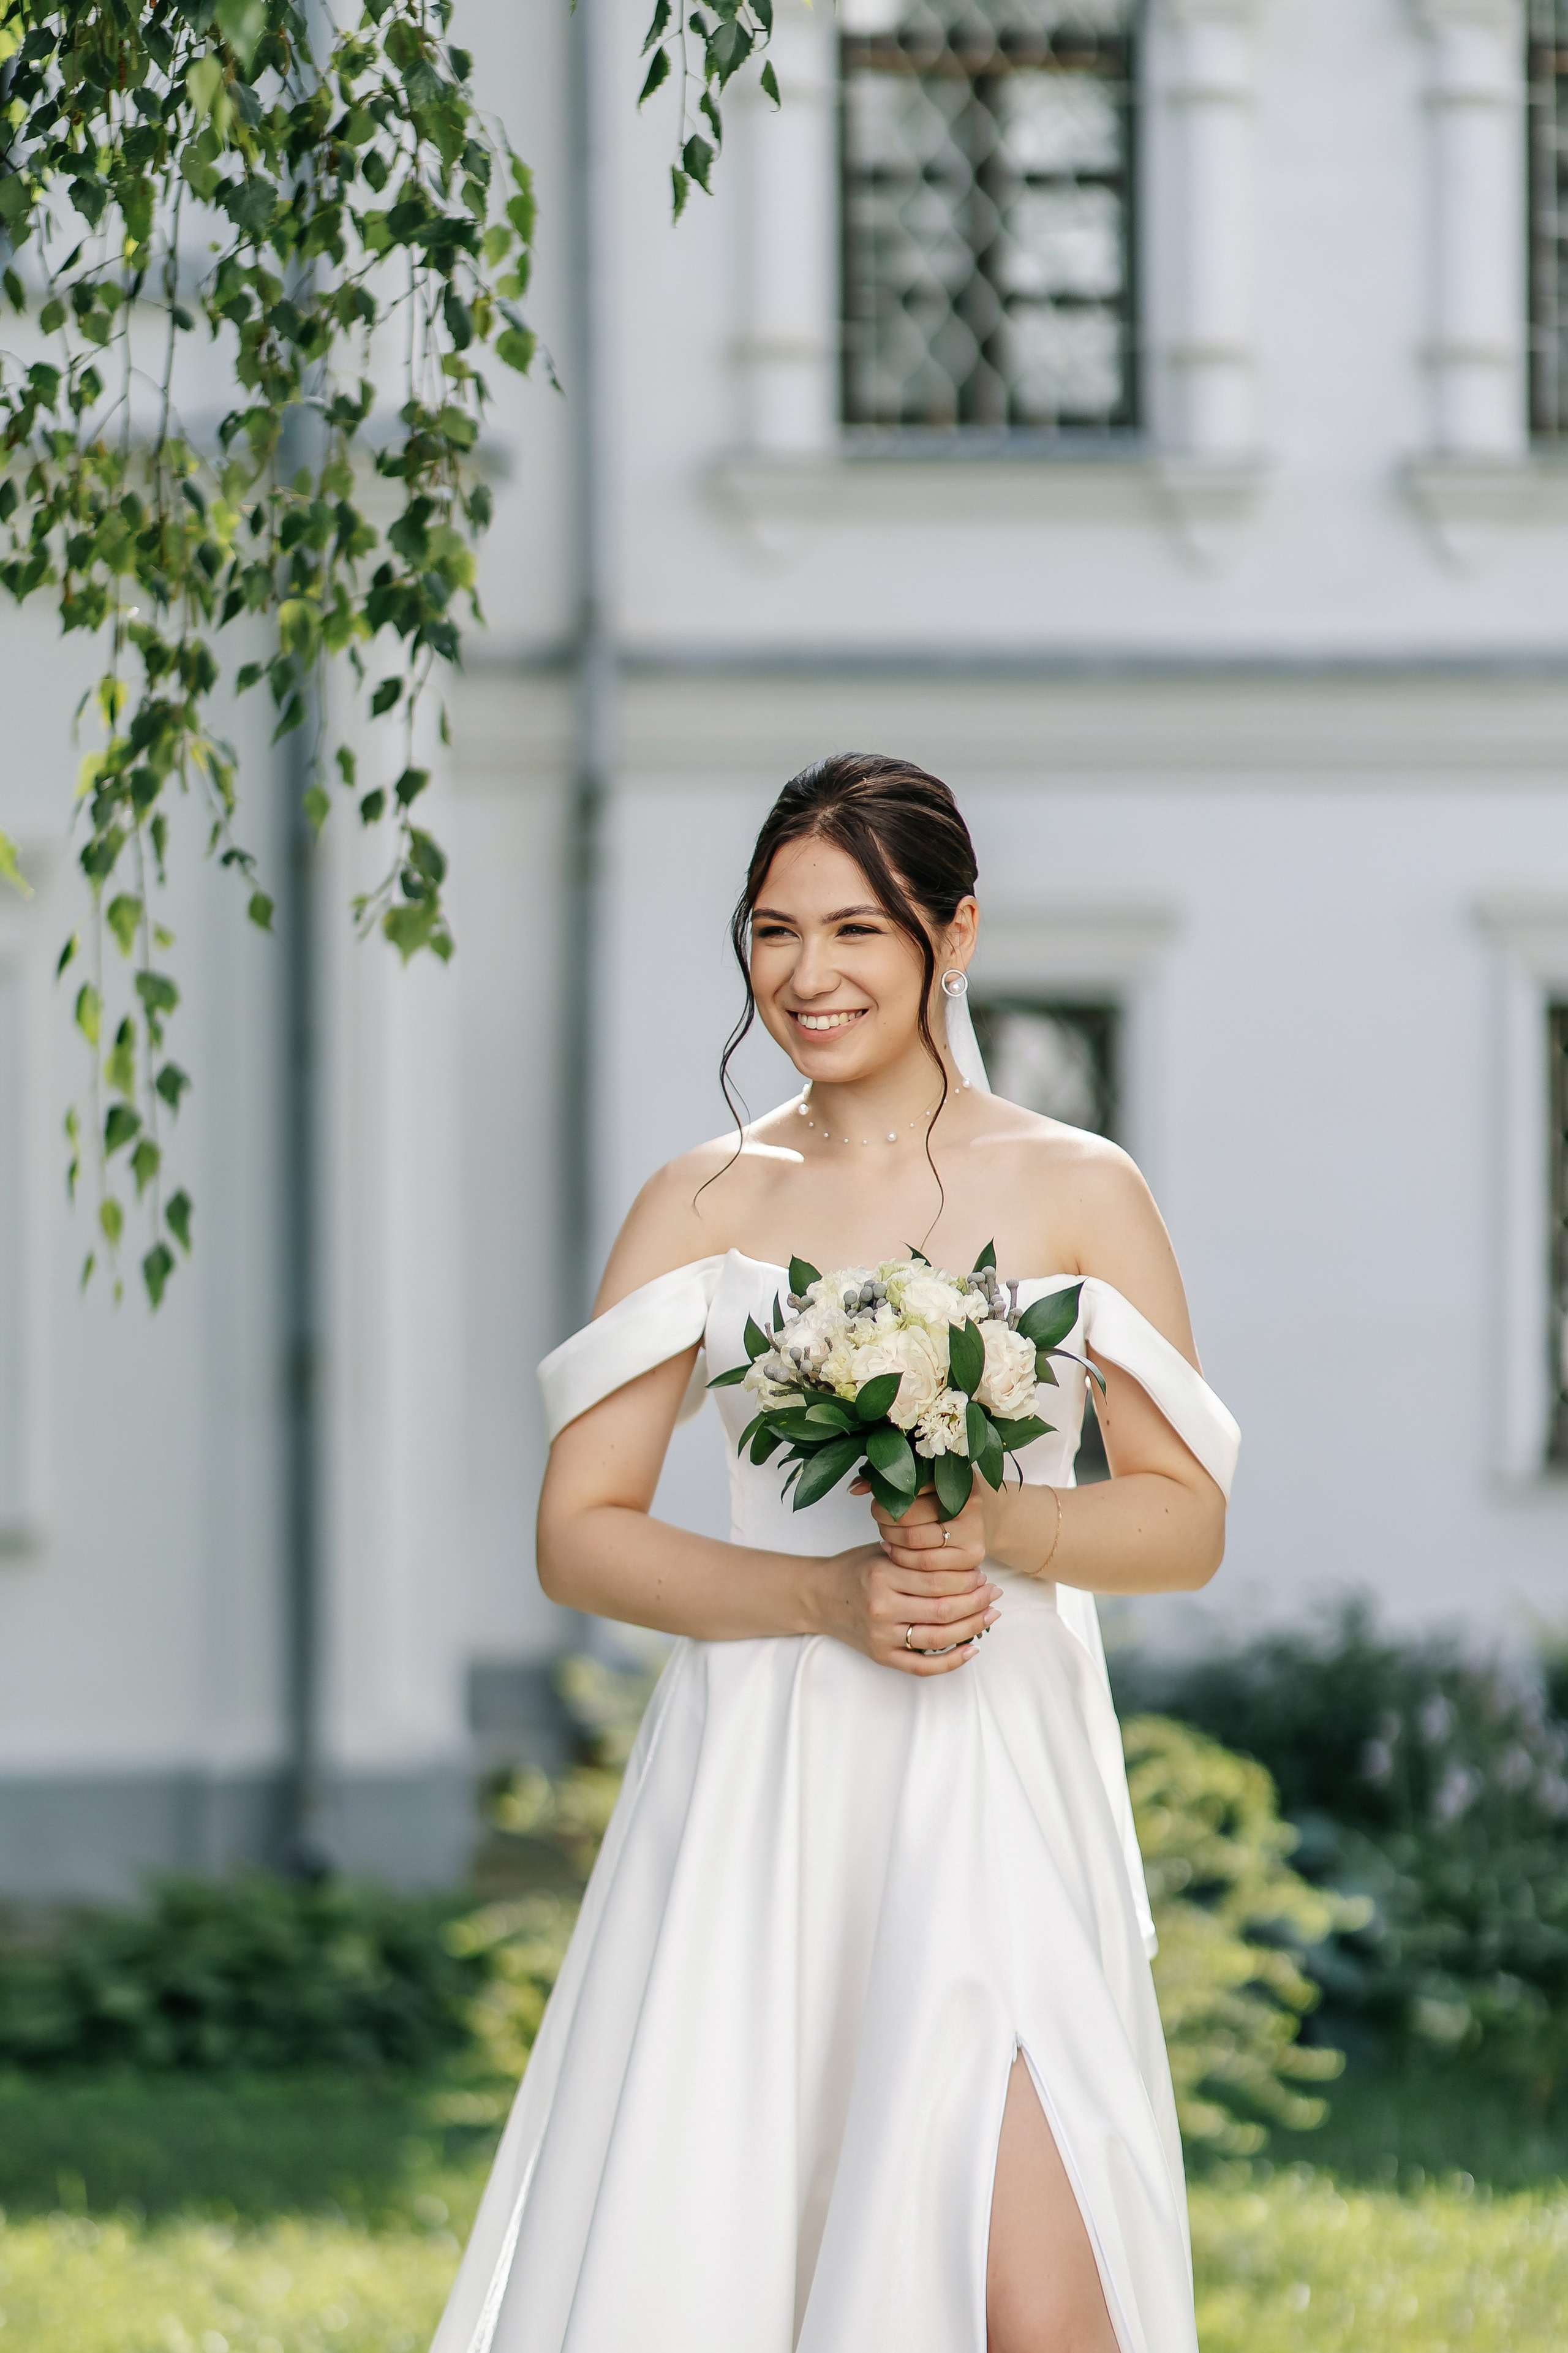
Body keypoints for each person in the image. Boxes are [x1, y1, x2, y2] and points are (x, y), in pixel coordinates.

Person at [431, 754, 1239, 2353]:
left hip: (997, 1772)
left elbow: (1187, 1513)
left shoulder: (1083, 1189)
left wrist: (1004, 1522)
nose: (807, 973)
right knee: (741, 2256)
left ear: (954, 935)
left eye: (856, 928)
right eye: (774, 930)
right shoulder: (706, 1199)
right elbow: (576, 1531)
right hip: (769, 1779)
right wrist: (821, 1594)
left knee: (1043, 2309)